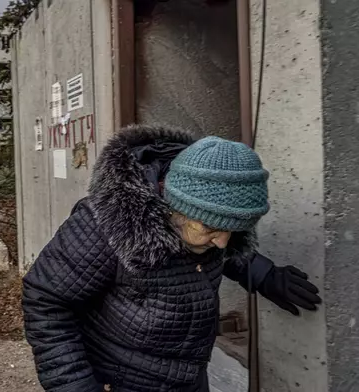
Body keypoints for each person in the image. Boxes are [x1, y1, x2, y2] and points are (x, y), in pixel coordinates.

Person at [22, 125, 322, 392]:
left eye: (233, 230)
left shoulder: (205, 230)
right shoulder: (105, 224)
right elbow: (46, 301)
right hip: (121, 380)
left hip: (190, 376)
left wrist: (264, 274)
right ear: (173, 206)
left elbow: (223, 245)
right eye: (211, 227)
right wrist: (76, 385)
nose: (222, 242)